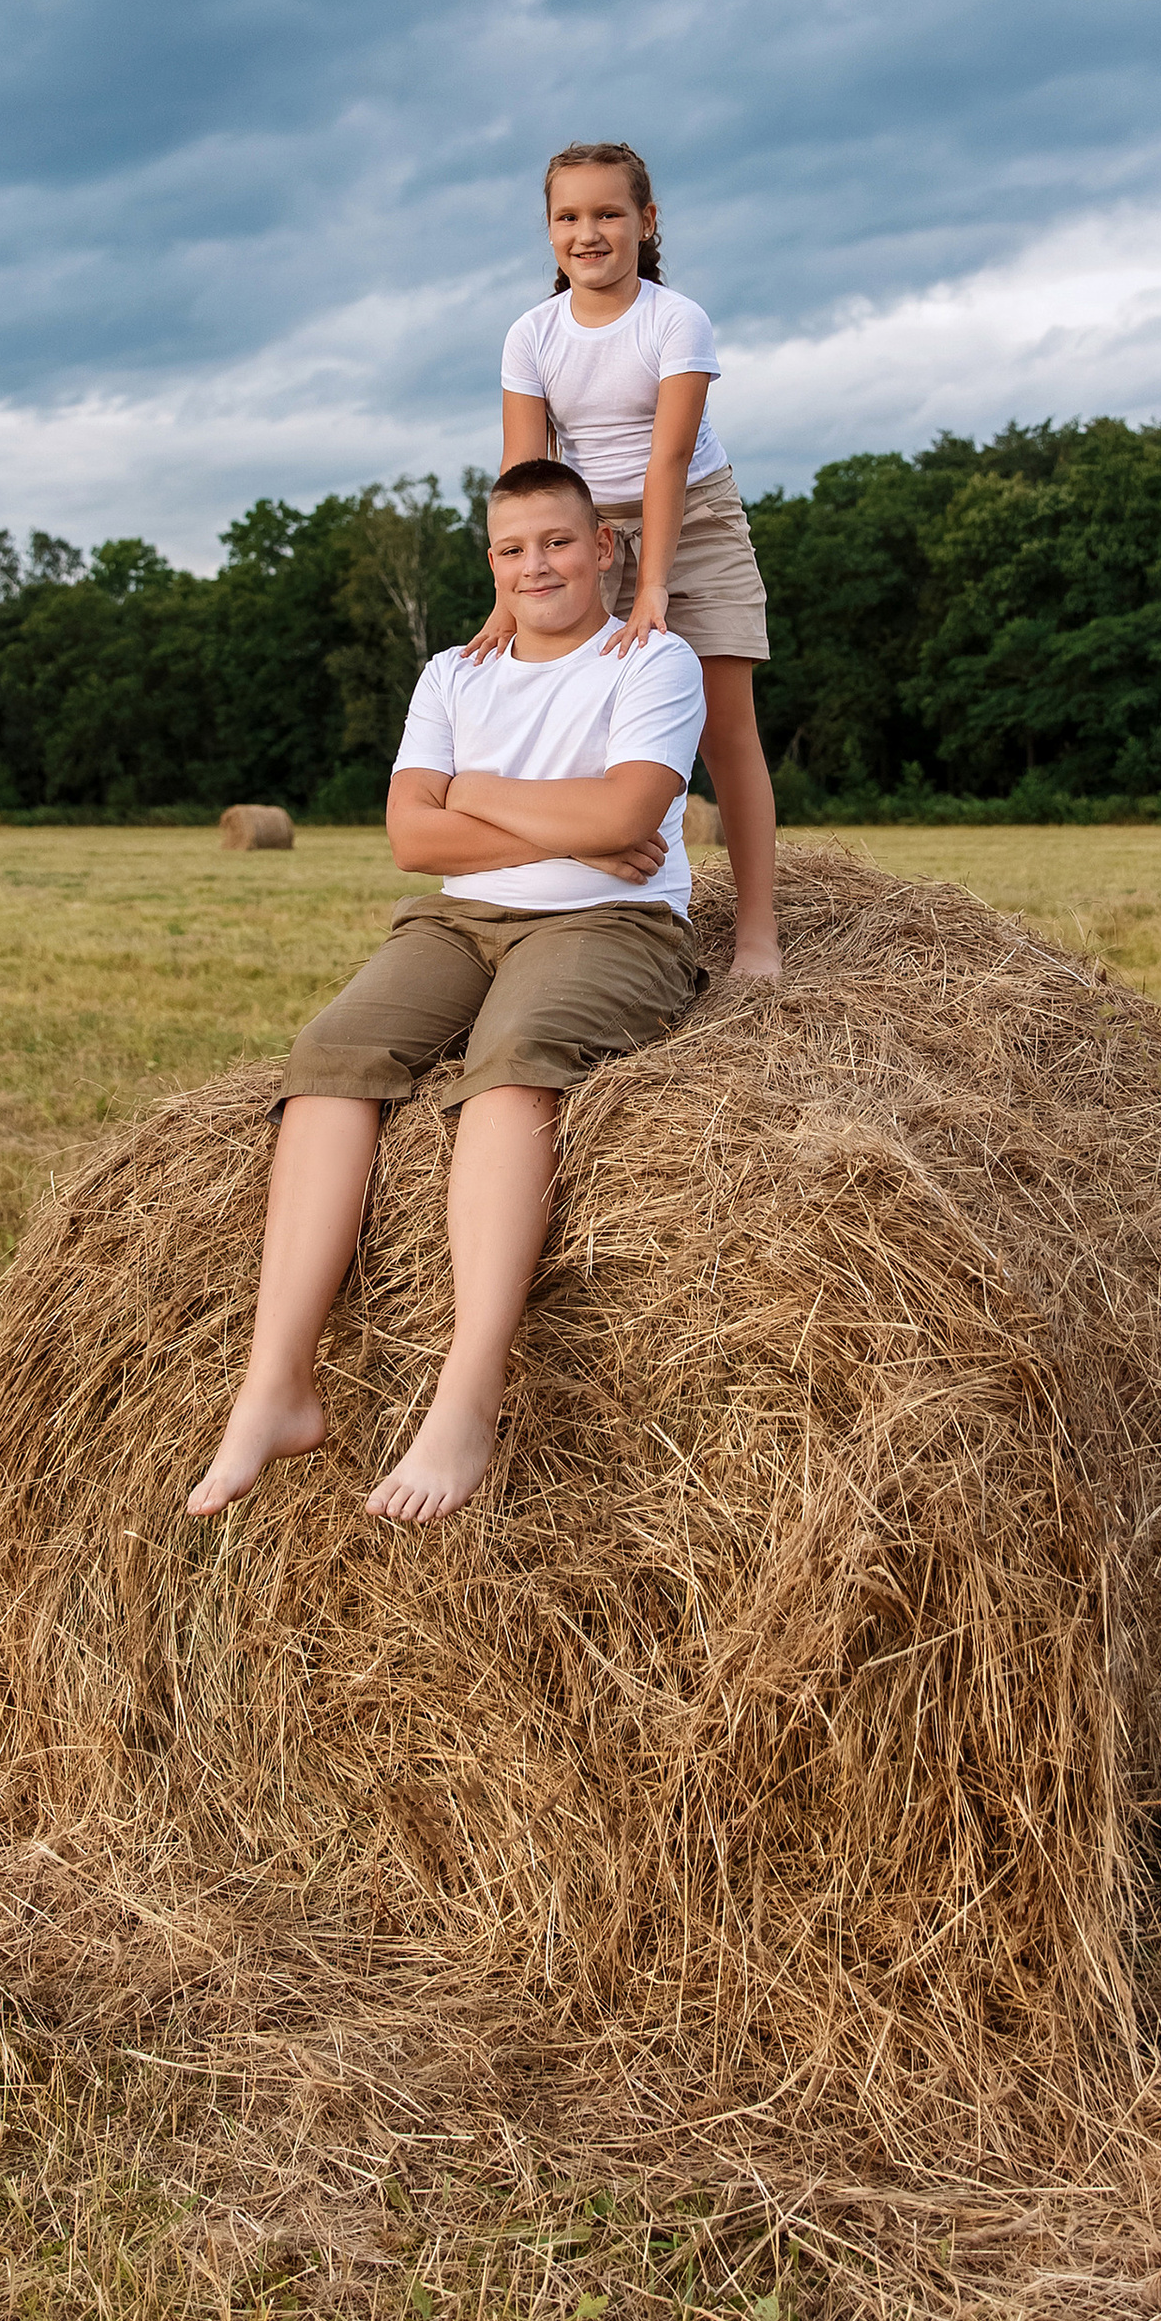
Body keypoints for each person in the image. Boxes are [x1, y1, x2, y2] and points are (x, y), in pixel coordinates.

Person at [185, 458, 707, 1530]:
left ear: (603, 548)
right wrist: (547, 812)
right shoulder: (452, 674)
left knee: (510, 1065)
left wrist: (469, 791)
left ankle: (466, 1397)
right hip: (458, 920)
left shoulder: (652, 660)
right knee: (330, 1057)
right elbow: (408, 839)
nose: (537, 566)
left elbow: (628, 822)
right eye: (513, 550)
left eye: (558, 542)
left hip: (611, 923)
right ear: (491, 563)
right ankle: (276, 1383)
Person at [472, 142, 783, 981]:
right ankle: (588, 907)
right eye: (568, 217)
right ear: (548, 232)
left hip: (695, 517)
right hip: (582, 532)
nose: (589, 232)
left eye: (608, 213)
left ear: (646, 224)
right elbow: (522, 472)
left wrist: (651, 589)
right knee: (581, 731)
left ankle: (757, 933)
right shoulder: (531, 335)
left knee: (725, 729)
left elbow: (669, 461)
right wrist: (508, 597)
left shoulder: (675, 320)